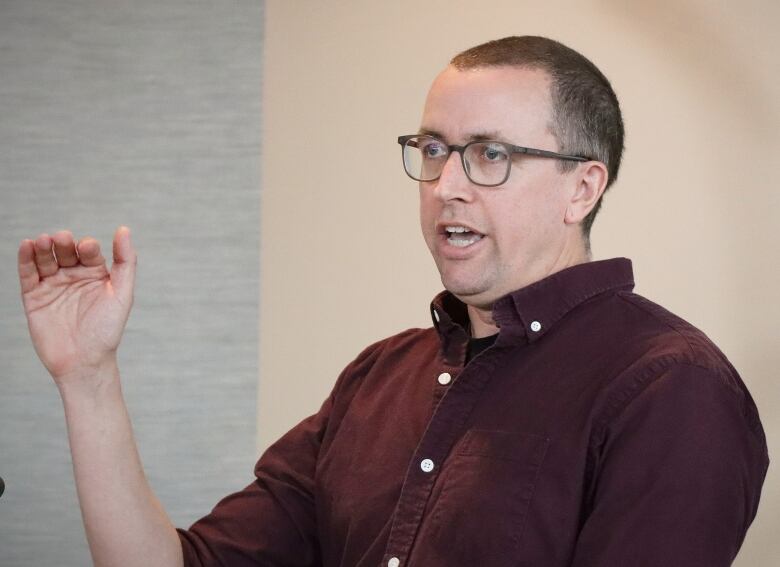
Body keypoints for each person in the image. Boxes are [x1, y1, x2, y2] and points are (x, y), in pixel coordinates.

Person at [18, 36, 768, 567]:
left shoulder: (672, 387)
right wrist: (88, 377)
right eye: (435, 149)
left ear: (583, 187)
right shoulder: (379, 377)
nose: (446, 184)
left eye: (491, 154)